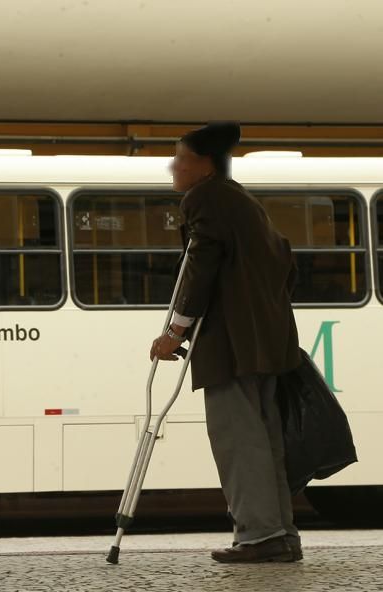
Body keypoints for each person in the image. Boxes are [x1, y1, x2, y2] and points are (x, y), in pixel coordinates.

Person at [150, 122, 303, 564]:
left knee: (238, 439)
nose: (173, 167)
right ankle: (280, 533)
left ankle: (260, 535)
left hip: (230, 346)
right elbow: (286, 265)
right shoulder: (243, 201)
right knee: (264, 440)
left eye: (180, 158)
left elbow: (201, 267)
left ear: (205, 164)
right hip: (267, 344)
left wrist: (174, 332)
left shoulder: (205, 198)